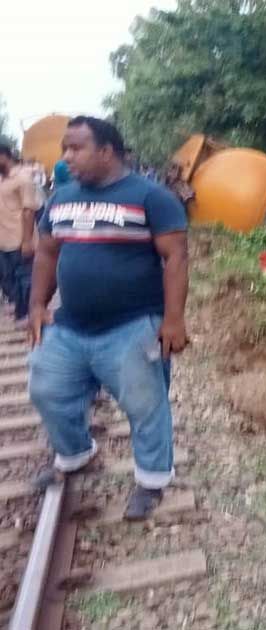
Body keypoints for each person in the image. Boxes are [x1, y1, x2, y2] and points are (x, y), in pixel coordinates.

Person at [27, 116, 190, 520]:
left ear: (106, 151)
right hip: (70, 325)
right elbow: (47, 254)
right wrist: (36, 305)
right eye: (66, 147)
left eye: (76, 147)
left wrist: (173, 320)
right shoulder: (61, 198)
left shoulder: (150, 197)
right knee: (46, 389)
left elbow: (175, 258)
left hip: (132, 324)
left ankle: (152, 481)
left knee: (145, 403)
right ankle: (76, 453)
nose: (67, 156)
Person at [0, 145, 39, 322]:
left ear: (4, 157)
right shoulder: (2, 180)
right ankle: (21, 309)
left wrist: (27, 241)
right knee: (7, 280)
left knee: (24, 278)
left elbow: (29, 210)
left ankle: (27, 314)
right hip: (3, 240)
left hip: (20, 237)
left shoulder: (23, 179)